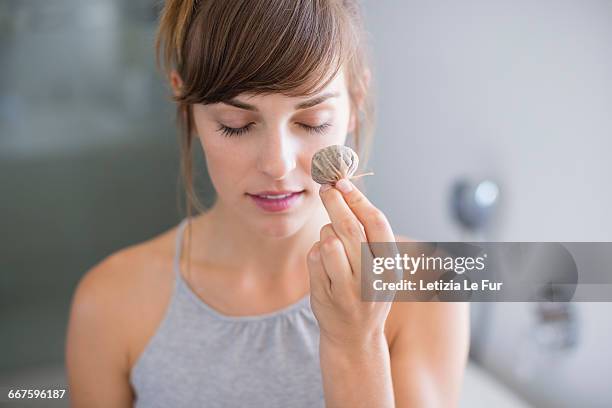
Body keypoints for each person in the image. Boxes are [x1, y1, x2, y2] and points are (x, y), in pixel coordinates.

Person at [65, 0, 469, 407]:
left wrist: (356, 344)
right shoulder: (110, 301)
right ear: (187, 109)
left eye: (312, 122)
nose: (277, 165)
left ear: (354, 102)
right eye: (236, 125)